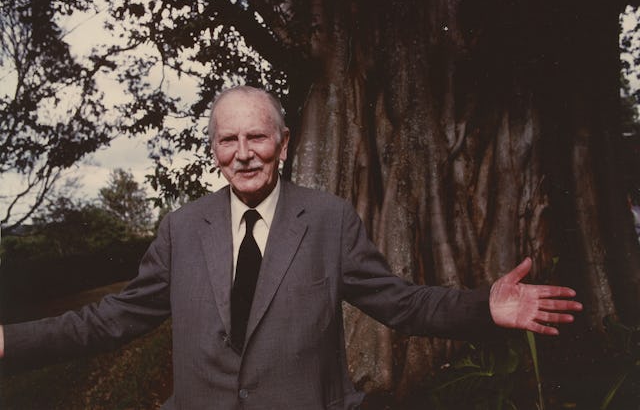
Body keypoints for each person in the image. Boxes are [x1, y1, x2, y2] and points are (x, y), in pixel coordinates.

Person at [0, 85, 582, 409]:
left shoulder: (328, 220)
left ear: (283, 143)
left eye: (257, 136)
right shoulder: (182, 228)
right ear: (214, 151)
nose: (243, 152)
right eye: (229, 139)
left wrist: (485, 306)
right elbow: (111, 321)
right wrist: (10, 341)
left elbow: (401, 304)